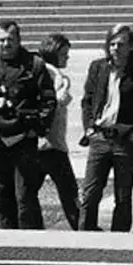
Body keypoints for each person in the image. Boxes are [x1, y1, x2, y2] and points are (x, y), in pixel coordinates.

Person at [0, 20, 56, 229]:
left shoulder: (34, 65)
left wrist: (38, 126)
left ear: (19, 40)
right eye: (2, 40)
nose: (6, 44)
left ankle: (31, 243)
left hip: (23, 139)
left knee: (25, 196)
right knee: (1, 194)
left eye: (10, 39)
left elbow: (49, 100)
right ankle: (6, 241)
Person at [79, 23, 133, 232]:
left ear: (131, 46)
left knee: (123, 196)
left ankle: (120, 242)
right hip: (100, 137)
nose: (115, 48)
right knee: (90, 193)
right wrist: (88, 126)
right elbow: (87, 100)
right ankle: (84, 237)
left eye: (121, 44)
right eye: (112, 44)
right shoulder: (98, 67)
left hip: (125, 140)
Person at [36, 33, 81, 230]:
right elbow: (56, 102)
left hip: (40, 142)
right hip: (52, 143)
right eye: (64, 54)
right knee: (69, 191)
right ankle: (82, 227)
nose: (67, 58)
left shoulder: (38, 69)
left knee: (27, 192)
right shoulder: (54, 75)